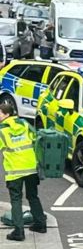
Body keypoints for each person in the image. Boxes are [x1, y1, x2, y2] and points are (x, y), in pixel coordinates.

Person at [0, 103, 46, 241]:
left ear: (7, 114)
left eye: (0, 113)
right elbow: (35, 139)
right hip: (31, 167)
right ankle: (40, 224)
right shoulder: (24, 124)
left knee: (16, 200)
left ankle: (19, 232)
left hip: (14, 171)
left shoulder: (2, 131)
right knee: (33, 196)